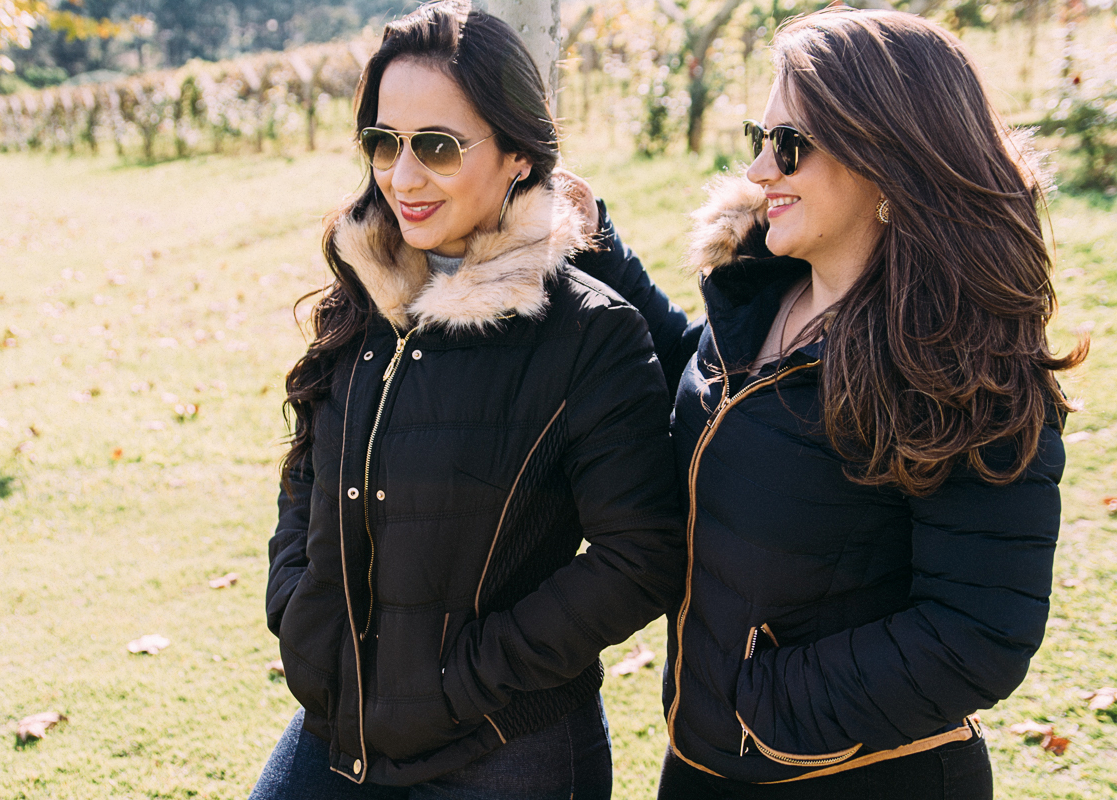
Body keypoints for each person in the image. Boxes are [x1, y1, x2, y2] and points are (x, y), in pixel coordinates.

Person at [571, 7, 1087, 799]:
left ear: (885, 153)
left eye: (789, 144)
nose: (758, 171)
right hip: (706, 762)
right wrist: (601, 247)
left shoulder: (962, 368)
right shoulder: (767, 294)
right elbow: (713, 400)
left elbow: (980, 634)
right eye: (759, 137)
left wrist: (761, 708)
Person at [250, 3, 684, 798]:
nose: (402, 177)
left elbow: (643, 553)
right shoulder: (367, 297)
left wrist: (466, 675)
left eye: (438, 147)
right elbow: (309, 470)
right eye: (384, 143)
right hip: (340, 723)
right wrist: (298, 605)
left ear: (517, 154)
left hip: (505, 749)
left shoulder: (589, 332)